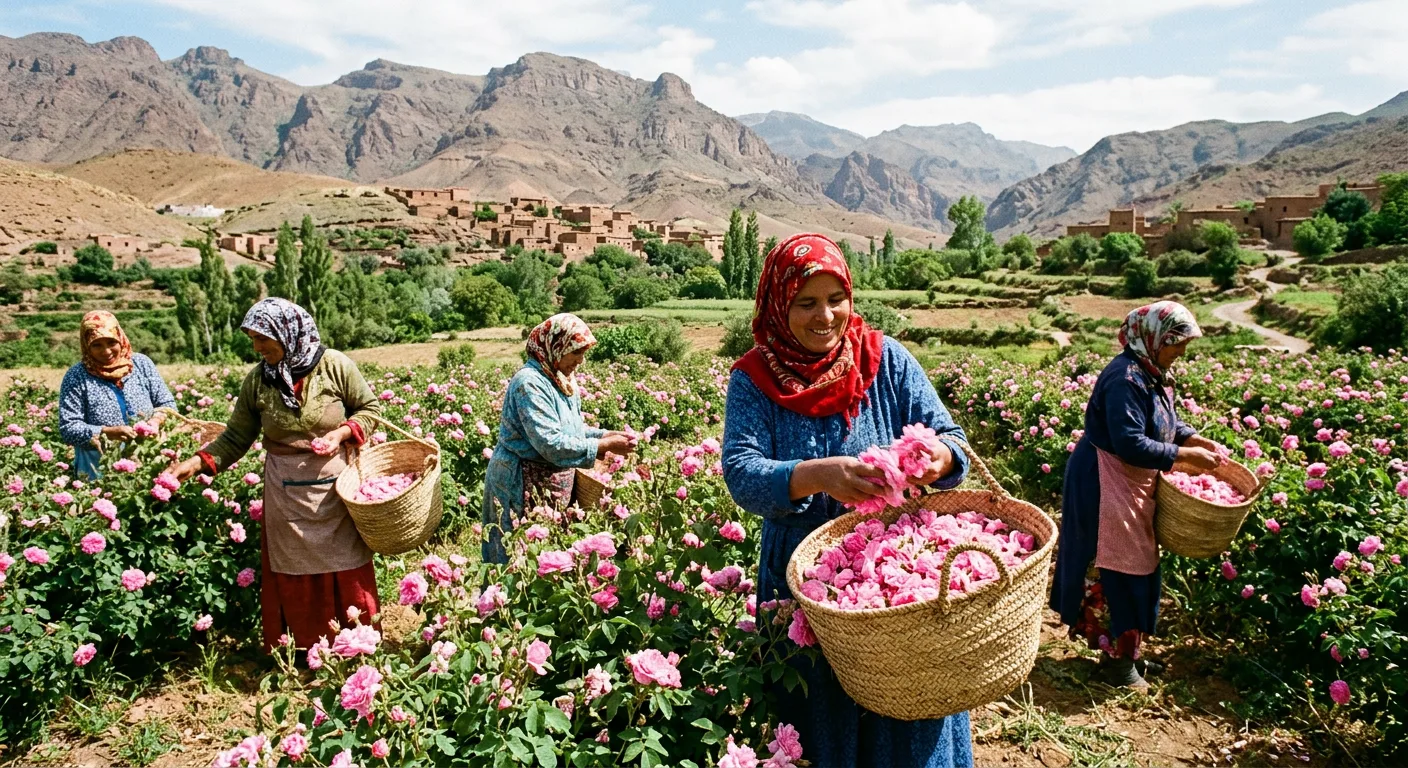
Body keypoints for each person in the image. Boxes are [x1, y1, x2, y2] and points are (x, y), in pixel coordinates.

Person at [722, 233, 974, 768]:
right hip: (805, 577)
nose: (825, 317)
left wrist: (938, 459)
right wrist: (821, 476)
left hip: (899, 576)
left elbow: (953, 440)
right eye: (805, 303)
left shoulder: (887, 360)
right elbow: (742, 474)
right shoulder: (754, 379)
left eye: (836, 300)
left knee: (910, 700)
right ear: (776, 304)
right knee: (823, 715)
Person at [166, 298, 383, 652]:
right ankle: (305, 650)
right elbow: (236, 436)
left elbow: (369, 408)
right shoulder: (258, 381)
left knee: (344, 563)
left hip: (336, 487)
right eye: (252, 338)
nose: (257, 347)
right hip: (285, 492)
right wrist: (196, 463)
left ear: (288, 333)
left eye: (263, 337)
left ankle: (357, 644)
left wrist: (342, 433)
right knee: (294, 567)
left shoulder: (334, 365)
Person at [1049, 301, 1224, 688]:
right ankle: (1116, 665)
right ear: (1153, 338)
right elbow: (1130, 442)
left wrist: (1189, 437)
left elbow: (1164, 423)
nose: (1182, 352)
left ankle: (1130, 654)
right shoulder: (1124, 378)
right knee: (1115, 567)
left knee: (1137, 564)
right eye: (1176, 343)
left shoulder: (1152, 373)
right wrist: (1183, 456)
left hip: (1130, 482)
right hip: (1105, 481)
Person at [482, 313, 636, 563]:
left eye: (583, 353)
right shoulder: (529, 383)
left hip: (549, 483)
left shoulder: (561, 379)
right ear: (556, 347)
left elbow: (570, 430)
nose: (580, 361)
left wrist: (604, 435)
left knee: (547, 557)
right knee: (515, 556)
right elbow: (550, 442)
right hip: (519, 481)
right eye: (575, 352)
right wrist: (602, 446)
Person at [59, 310, 176, 480]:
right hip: (99, 463)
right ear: (86, 345)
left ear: (120, 338)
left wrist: (155, 422)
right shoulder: (76, 376)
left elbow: (167, 403)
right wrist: (106, 432)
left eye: (111, 342)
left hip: (148, 455)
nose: (106, 351)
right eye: (97, 345)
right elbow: (68, 428)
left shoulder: (141, 364)